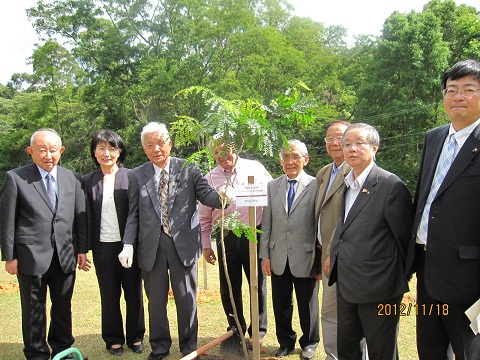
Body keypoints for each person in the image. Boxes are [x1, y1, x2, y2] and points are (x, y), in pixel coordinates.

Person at [118, 122, 234, 360]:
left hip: (183, 245)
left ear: (169, 143)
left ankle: (189, 348)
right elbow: (133, 214)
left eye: (161, 143)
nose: (156, 149)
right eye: (150, 145)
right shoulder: (136, 175)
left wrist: (225, 196)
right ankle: (159, 347)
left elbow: (207, 195)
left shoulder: (188, 168)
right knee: (156, 301)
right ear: (144, 149)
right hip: (151, 248)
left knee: (186, 299)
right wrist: (128, 244)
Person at [406, 59, 480, 359]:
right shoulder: (434, 137)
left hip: (469, 277)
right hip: (428, 267)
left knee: (467, 351)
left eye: (468, 89)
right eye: (451, 90)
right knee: (430, 349)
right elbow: (425, 197)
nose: (458, 96)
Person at [0, 128, 90, 360]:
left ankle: (63, 349)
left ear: (61, 151)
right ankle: (36, 353)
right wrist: (9, 256)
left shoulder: (72, 177)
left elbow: (80, 217)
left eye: (52, 150)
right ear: (31, 152)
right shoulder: (16, 177)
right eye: (42, 150)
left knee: (63, 307)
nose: (48, 155)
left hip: (65, 255)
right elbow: (7, 219)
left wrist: (81, 249)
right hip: (30, 255)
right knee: (33, 309)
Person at [327, 123, 413, 360]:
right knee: (347, 347)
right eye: (347, 144)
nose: (351, 149)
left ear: (374, 148)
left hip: (379, 287)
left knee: (381, 351)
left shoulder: (390, 185)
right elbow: (344, 229)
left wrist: (396, 277)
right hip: (347, 282)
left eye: (359, 143)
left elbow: (404, 238)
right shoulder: (347, 182)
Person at [199, 141, 272, 350]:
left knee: (256, 285)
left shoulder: (255, 169)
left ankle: (257, 331)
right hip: (226, 236)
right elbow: (204, 216)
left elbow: (271, 201)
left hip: (253, 233)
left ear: (235, 148)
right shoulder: (209, 178)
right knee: (229, 286)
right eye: (217, 152)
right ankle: (235, 328)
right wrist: (206, 244)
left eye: (226, 150)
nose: (223, 156)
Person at [82, 130, 145, 356]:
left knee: (133, 293)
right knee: (109, 295)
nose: (106, 153)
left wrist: (134, 244)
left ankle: (136, 337)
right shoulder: (87, 181)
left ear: (120, 152)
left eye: (112, 148)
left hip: (129, 246)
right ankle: (113, 339)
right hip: (103, 247)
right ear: (94, 152)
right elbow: (83, 216)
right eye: (101, 148)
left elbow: (138, 213)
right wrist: (83, 249)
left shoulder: (132, 177)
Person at [260, 139, 320, 360]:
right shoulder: (272, 186)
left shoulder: (316, 185)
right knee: (281, 303)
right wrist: (264, 254)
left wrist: (319, 257)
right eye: (286, 157)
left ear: (305, 159)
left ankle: (310, 342)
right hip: (277, 255)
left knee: (308, 304)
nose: (290, 161)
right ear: (281, 161)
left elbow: (319, 225)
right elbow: (267, 223)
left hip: (305, 255)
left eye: (295, 156)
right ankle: (285, 342)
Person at [313, 120, 351, 360]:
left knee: (351, 312)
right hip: (325, 252)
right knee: (329, 311)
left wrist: (334, 253)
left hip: (346, 255)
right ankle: (332, 354)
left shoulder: (356, 170)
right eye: (329, 138)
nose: (334, 143)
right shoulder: (325, 172)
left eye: (340, 138)